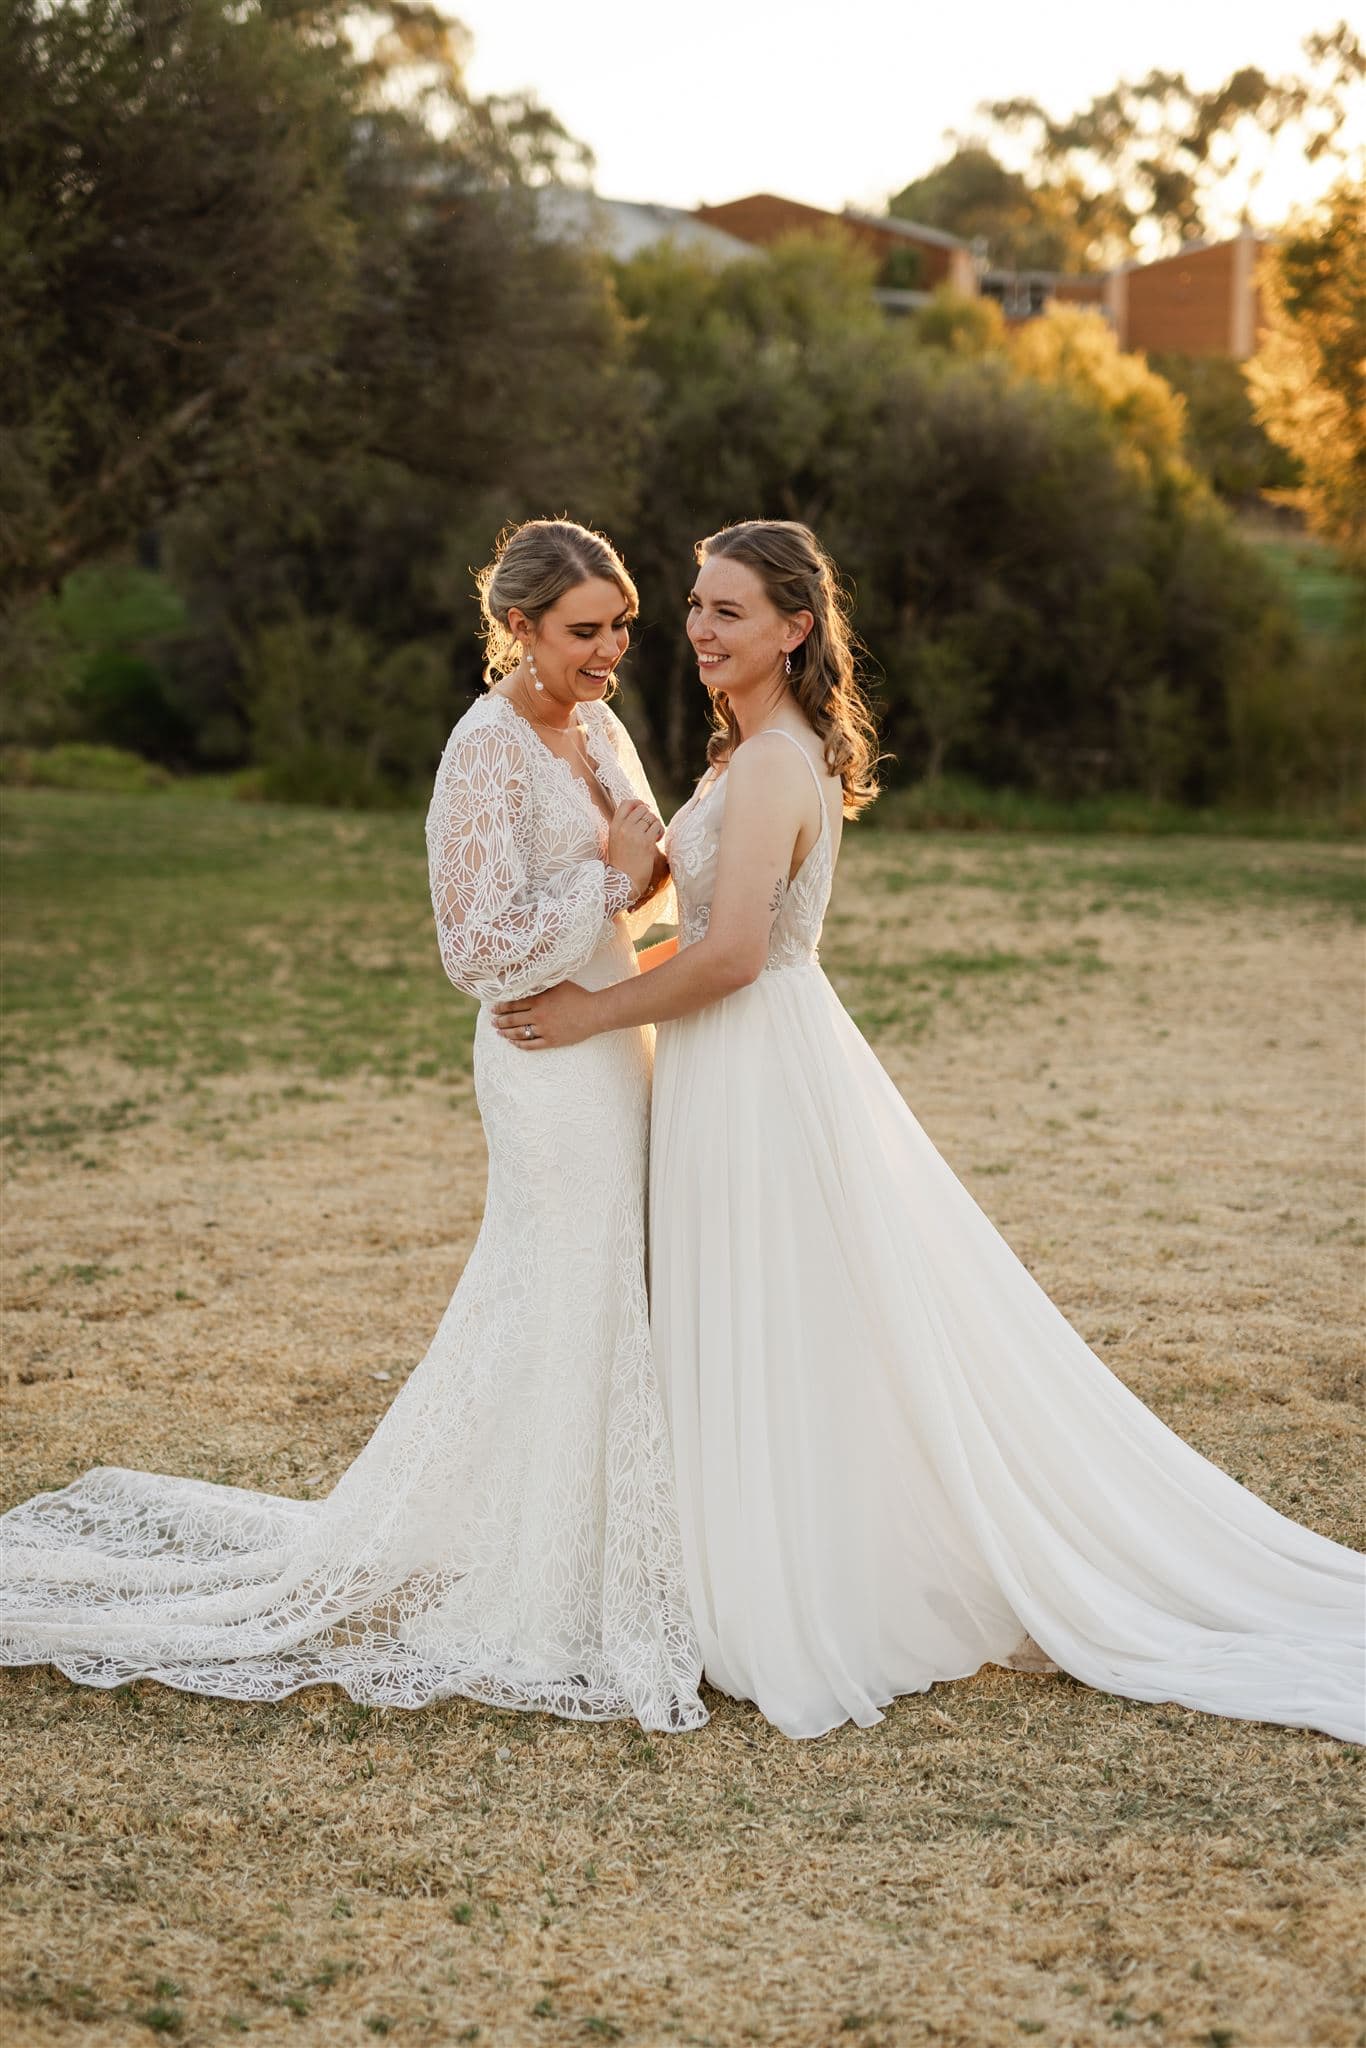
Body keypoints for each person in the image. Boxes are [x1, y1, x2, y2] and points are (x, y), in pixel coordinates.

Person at [493, 518, 1365, 1745]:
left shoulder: (780, 763)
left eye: (727, 609)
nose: (696, 628)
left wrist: (591, 1008)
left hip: (753, 1066)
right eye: (692, 605)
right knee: (763, 1313)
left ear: (795, 628)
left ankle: (791, 1588)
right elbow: (702, 928)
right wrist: (615, 911)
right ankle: (744, 1556)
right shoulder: (748, 753)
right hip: (725, 1064)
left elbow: (735, 954)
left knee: (772, 1312)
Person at [0, 518, 705, 1733]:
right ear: (519, 628)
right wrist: (611, 878)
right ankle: (540, 1585)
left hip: (613, 1035)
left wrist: (640, 878)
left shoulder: (600, 727)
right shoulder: (481, 751)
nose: (611, 652)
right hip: (542, 1055)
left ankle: (595, 1543)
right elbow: (474, 948)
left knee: (612, 1284)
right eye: (586, 631)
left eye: (622, 627)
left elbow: (646, 885)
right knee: (565, 1280)